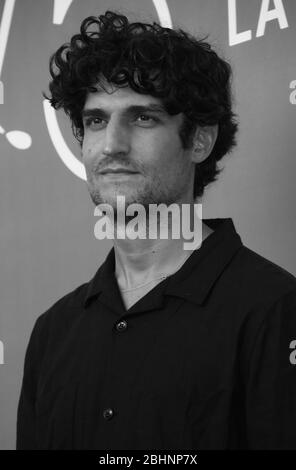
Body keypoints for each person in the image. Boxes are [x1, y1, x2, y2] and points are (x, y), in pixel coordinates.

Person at [17, 10, 296, 450]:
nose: (112, 145)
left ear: (199, 139)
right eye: (96, 121)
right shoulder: (53, 332)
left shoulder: (274, 308)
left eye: (143, 118)